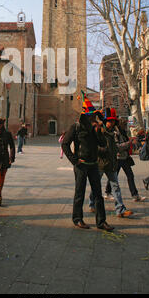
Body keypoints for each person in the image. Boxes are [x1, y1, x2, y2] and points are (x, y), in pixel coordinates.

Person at [61, 91, 114, 232]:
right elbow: (65, 144)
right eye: (92, 115)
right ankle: (77, 219)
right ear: (86, 116)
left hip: (93, 165)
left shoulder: (95, 128)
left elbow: (103, 144)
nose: (94, 117)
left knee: (98, 194)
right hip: (81, 165)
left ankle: (101, 221)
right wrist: (74, 160)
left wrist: (99, 131)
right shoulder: (76, 127)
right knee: (80, 192)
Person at [88, 108, 134, 218]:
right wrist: (105, 151)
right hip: (101, 163)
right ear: (105, 121)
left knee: (116, 186)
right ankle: (92, 203)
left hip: (112, 163)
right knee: (96, 185)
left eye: (113, 121)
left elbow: (116, 148)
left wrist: (125, 145)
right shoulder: (99, 131)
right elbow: (95, 147)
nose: (112, 123)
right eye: (109, 121)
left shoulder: (113, 132)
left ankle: (120, 209)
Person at [106, 118, 146, 202]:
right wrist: (129, 143)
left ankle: (135, 195)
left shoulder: (122, 133)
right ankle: (108, 192)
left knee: (130, 176)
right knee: (113, 177)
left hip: (124, 157)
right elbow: (117, 147)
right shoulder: (115, 133)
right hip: (118, 158)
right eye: (124, 124)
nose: (125, 126)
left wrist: (131, 142)